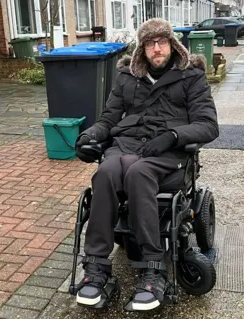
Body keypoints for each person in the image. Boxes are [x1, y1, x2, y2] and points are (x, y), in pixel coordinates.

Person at [74, 18, 219, 311]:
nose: (156, 49)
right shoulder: (128, 77)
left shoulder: (190, 76)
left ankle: (154, 270)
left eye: (161, 42)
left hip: (167, 153)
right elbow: (109, 119)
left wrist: (174, 135)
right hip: (126, 146)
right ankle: (96, 269)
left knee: (139, 174)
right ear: (142, 49)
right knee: (104, 174)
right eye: (150, 43)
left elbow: (208, 125)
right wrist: (89, 137)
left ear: (172, 44)